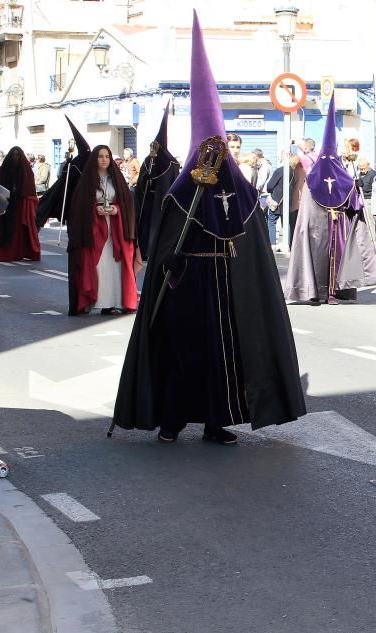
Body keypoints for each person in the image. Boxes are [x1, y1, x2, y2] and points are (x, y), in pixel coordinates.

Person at [112, 11, 305, 445]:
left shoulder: (241, 189)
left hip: (226, 284)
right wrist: (168, 262)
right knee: (182, 352)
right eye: (210, 148)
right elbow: (164, 238)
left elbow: (252, 244)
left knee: (225, 355)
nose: (216, 157)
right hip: (186, 284)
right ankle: (172, 420)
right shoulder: (181, 191)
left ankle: (218, 421)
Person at [285, 98, 376, 304]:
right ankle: (317, 292)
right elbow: (308, 208)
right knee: (318, 258)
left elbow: (354, 206)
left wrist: (355, 189)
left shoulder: (344, 179)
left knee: (339, 258)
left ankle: (338, 291)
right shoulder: (313, 179)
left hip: (338, 227)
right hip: (317, 228)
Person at [67, 145, 141, 315]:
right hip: (93, 229)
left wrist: (117, 210)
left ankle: (113, 302)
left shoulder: (117, 179)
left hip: (115, 229)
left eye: (107, 156)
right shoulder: (87, 181)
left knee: (114, 265)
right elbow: (79, 206)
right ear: (95, 159)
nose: (104, 160)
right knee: (98, 266)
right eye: (100, 156)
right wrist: (94, 210)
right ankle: (94, 300)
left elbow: (127, 203)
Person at [134, 105, 180, 258]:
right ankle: (144, 250)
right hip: (148, 200)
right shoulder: (148, 160)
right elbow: (141, 181)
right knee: (145, 226)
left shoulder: (171, 163)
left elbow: (173, 184)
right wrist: (145, 180)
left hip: (161, 202)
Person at [36, 116, 90, 228]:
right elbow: (65, 175)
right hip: (72, 195)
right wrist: (68, 163)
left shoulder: (91, 161)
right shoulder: (75, 161)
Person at [0, 146, 41, 262]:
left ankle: (22, 252)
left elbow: (29, 189)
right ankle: (8, 253)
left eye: (17, 155)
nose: (15, 157)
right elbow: (1, 185)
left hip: (21, 205)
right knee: (8, 230)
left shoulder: (25, 171)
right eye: (13, 155)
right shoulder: (5, 169)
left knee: (21, 230)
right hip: (8, 205)